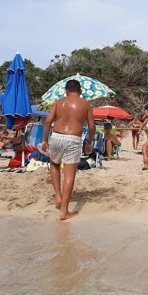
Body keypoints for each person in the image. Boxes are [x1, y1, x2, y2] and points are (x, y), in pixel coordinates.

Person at [41, 79, 95, 221]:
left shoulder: (59, 102)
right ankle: (64, 211)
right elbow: (91, 126)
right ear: (81, 92)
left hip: (57, 136)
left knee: (54, 164)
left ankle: (58, 196)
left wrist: (45, 140)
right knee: (70, 174)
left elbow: (47, 121)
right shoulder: (85, 104)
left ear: (66, 91)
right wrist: (89, 142)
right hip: (73, 138)